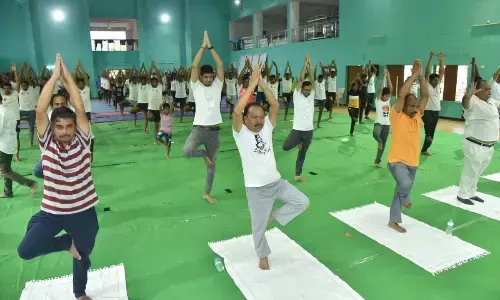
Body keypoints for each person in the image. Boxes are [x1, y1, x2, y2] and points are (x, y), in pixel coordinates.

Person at [17, 54, 99, 300]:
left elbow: (80, 107)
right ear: (52, 128)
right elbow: (41, 109)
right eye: (59, 127)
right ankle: (66, 243)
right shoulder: (47, 143)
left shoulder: (83, 142)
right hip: (52, 212)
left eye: (69, 126)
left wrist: (69, 78)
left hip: (83, 212)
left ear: (76, 127)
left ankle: (79, 292)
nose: (64, 132)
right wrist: (55, 77)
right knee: (26, 249)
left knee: (83, 256)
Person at [232, 64, 309, 270]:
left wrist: (262, 83)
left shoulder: (266, 126)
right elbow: (237, 109)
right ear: (246, 119)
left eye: (260, 117)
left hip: (277, 183)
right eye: (254, 117)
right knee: (258, 228)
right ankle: (262, 255)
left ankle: (274, 215)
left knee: (302, 202)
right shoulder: (240, 133)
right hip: (256, 190)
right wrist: (251, 86)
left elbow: (274, 105)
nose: (258, 121)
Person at [387, 59, 429, 233]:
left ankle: (393, 221)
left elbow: (426, 95)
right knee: (405, 184)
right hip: (396, 161)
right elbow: (402, 94)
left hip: (413, 161)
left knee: (402, 187)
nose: (415, 108)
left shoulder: (417, 115)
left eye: (416, 105)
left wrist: (421, 76)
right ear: (403, 105)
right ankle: (405, 198)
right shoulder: (397, 115)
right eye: (411, 105)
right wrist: (413, 75)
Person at [183, 31, 224, 204]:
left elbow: (220, 66)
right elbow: (193, 67)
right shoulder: (196, 86)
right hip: (199, 129)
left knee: (212, 166)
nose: (208, 79)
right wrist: (202, 46)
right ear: (201, 77)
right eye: (205, 77)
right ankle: (203, 154)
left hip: (214, 131)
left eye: (210, 76)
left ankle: (207, 193)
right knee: (187, 151)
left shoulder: (217, 85)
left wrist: (211, 47)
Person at [456, 73, 499, 205]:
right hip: (474, 144)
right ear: (477, 91)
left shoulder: (491, 102)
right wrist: (468, 95)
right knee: (470, 170)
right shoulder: (473, 101)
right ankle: (462, 194)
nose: (489, 91)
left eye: (489, 89)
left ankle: (472, 192)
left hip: (488, 145)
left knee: (478, 170)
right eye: (486, 89)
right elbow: (465, 104)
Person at [282, 54, 315, 182]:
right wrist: (305, 64)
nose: (308, 91)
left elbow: (311, 80)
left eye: (309, 89)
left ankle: (297, 174)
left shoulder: (311, 95)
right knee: (285, 147)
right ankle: (298, 142)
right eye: (306, 89)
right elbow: (301, 79)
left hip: (309, 131)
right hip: (297, 130)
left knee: (303, 153)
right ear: (301, 89)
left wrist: (310, 65)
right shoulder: (297, 95)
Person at [0, 93, 37, 198]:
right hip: (7, 143)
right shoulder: (5, 109)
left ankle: (30, 183)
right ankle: (8, 192)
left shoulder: (1, 112)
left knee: (5, 171)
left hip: (4, 145)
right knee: (6, 169)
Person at [421, 51, 445, 156]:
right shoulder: (427, 84)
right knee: (428, 127)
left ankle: (424, 149)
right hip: (426, 110)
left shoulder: (438, 85)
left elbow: (442, 72)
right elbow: (427, 71)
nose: (437, 81)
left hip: (436, 110)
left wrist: (441, 60)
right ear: (430, 80)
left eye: (438, 80)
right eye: (435, 80)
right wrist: (430, 58)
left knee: (432, 131)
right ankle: (427, 137)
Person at [373, 69, 393, 168]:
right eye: (386, 96)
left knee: (383, 145)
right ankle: (379, 141)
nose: (388, 97)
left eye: (389, 96)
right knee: (376, 134)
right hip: (378, 123)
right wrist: (384, 77)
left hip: (387, 124)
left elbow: (391, 88)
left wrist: (389, 77)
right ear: (382, 95)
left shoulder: (388, 100)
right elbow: (380, 90)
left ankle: (377, 161)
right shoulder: (378, 101)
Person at [1, 64, 22, 162]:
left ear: (10, 88)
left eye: (8, 88)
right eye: (4, 88)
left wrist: (14, 71)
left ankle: (17, 155)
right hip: (4, 121)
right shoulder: (1, 94)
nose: (6, 89)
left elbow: (18, 83)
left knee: (16, 137)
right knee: (3, 138)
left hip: (16, 119)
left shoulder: (15, 93)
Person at [19, 63, 37, 148]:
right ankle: (16, 140)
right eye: (23, 85)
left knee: (32, 127)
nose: (24, 86)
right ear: (21, 86)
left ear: (28, 85)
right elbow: (19, 79)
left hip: (31, 111)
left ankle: (31, 142)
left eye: (25, 85)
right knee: (16, 127)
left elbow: (27, 79)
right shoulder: (19, 90)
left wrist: (28, 71)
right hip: (21, 111)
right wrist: (22, 68)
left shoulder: (31, 89)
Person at [147, 63, 164, 145]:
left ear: (157, 82)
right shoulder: (149, 87)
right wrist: (151, 67)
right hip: (151, 109)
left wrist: (155, 67)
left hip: (158, 109)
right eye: (152, 82)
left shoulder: (160, 86)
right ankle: (156, 138)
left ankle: (156, 140)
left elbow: (159, 76)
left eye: (155, 82)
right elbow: (148, 76)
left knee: (156, 126)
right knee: (150, 118)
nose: (154, 83)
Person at [314, 63, 327, 128]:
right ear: (318, 79)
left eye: (322, 79)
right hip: (316, 99)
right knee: (310, 110)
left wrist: (322, 67)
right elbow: (314, 75)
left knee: (320, 112)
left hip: (322, 99)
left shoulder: (323, 81)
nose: (321, 80)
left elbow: (324, 74)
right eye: (320, 79)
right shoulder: (315, 82)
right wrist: (316, 68)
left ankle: (318, 124)